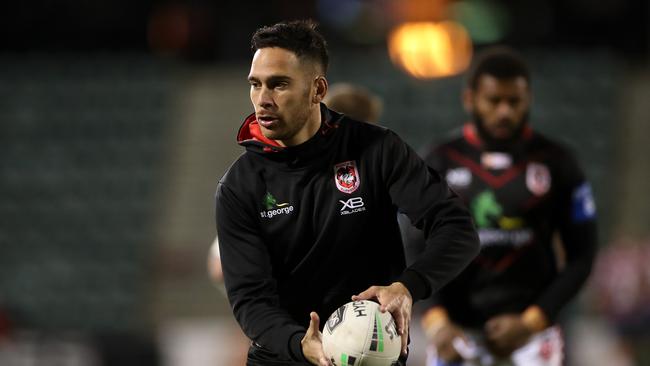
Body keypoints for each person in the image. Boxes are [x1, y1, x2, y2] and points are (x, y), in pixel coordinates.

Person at [215, 20, 479, 366]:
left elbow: (458, 230)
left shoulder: (376, 149)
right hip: (286, 357)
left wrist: (407, 287)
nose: (262, 99)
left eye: (279, 85)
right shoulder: (239, 186)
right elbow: (250, 300)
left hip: (374, 355)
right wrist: (301, 344)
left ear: (318, 89)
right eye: (256, 84)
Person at [403, 47, 598, 366]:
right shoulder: (438, 161)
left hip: (533, 335)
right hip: (455, 332)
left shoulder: (558, 162)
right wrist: (437, 322)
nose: (504, 112)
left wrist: (531, 322)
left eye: (514, 101)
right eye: (494, 101)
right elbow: (413, 247)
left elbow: (582, 256)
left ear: (528, 99)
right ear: (470, 99)